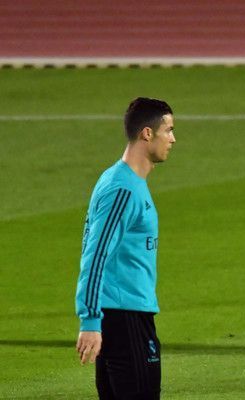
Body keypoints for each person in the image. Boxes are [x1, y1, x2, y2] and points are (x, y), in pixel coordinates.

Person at [75, 97, 176, 399]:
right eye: (168, 130)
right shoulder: (123, 189)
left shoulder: (124, 181)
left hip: (123, 314)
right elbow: (95, 255)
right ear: (148, 133)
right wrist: (90, 320)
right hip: (124, 317)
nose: (172, 138)